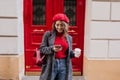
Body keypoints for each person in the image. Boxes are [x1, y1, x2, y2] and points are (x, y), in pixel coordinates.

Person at [39, 13, 81, 80]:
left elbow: (68, 53)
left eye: (62, 25)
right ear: (54, 25)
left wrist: (74, 54)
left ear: (65, 26)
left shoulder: (69, 38)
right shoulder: (48, 34)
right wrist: (52, 48)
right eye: (57, 25)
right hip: (51, 64)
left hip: (63, 64)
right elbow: (42, 49)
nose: (59, 27)